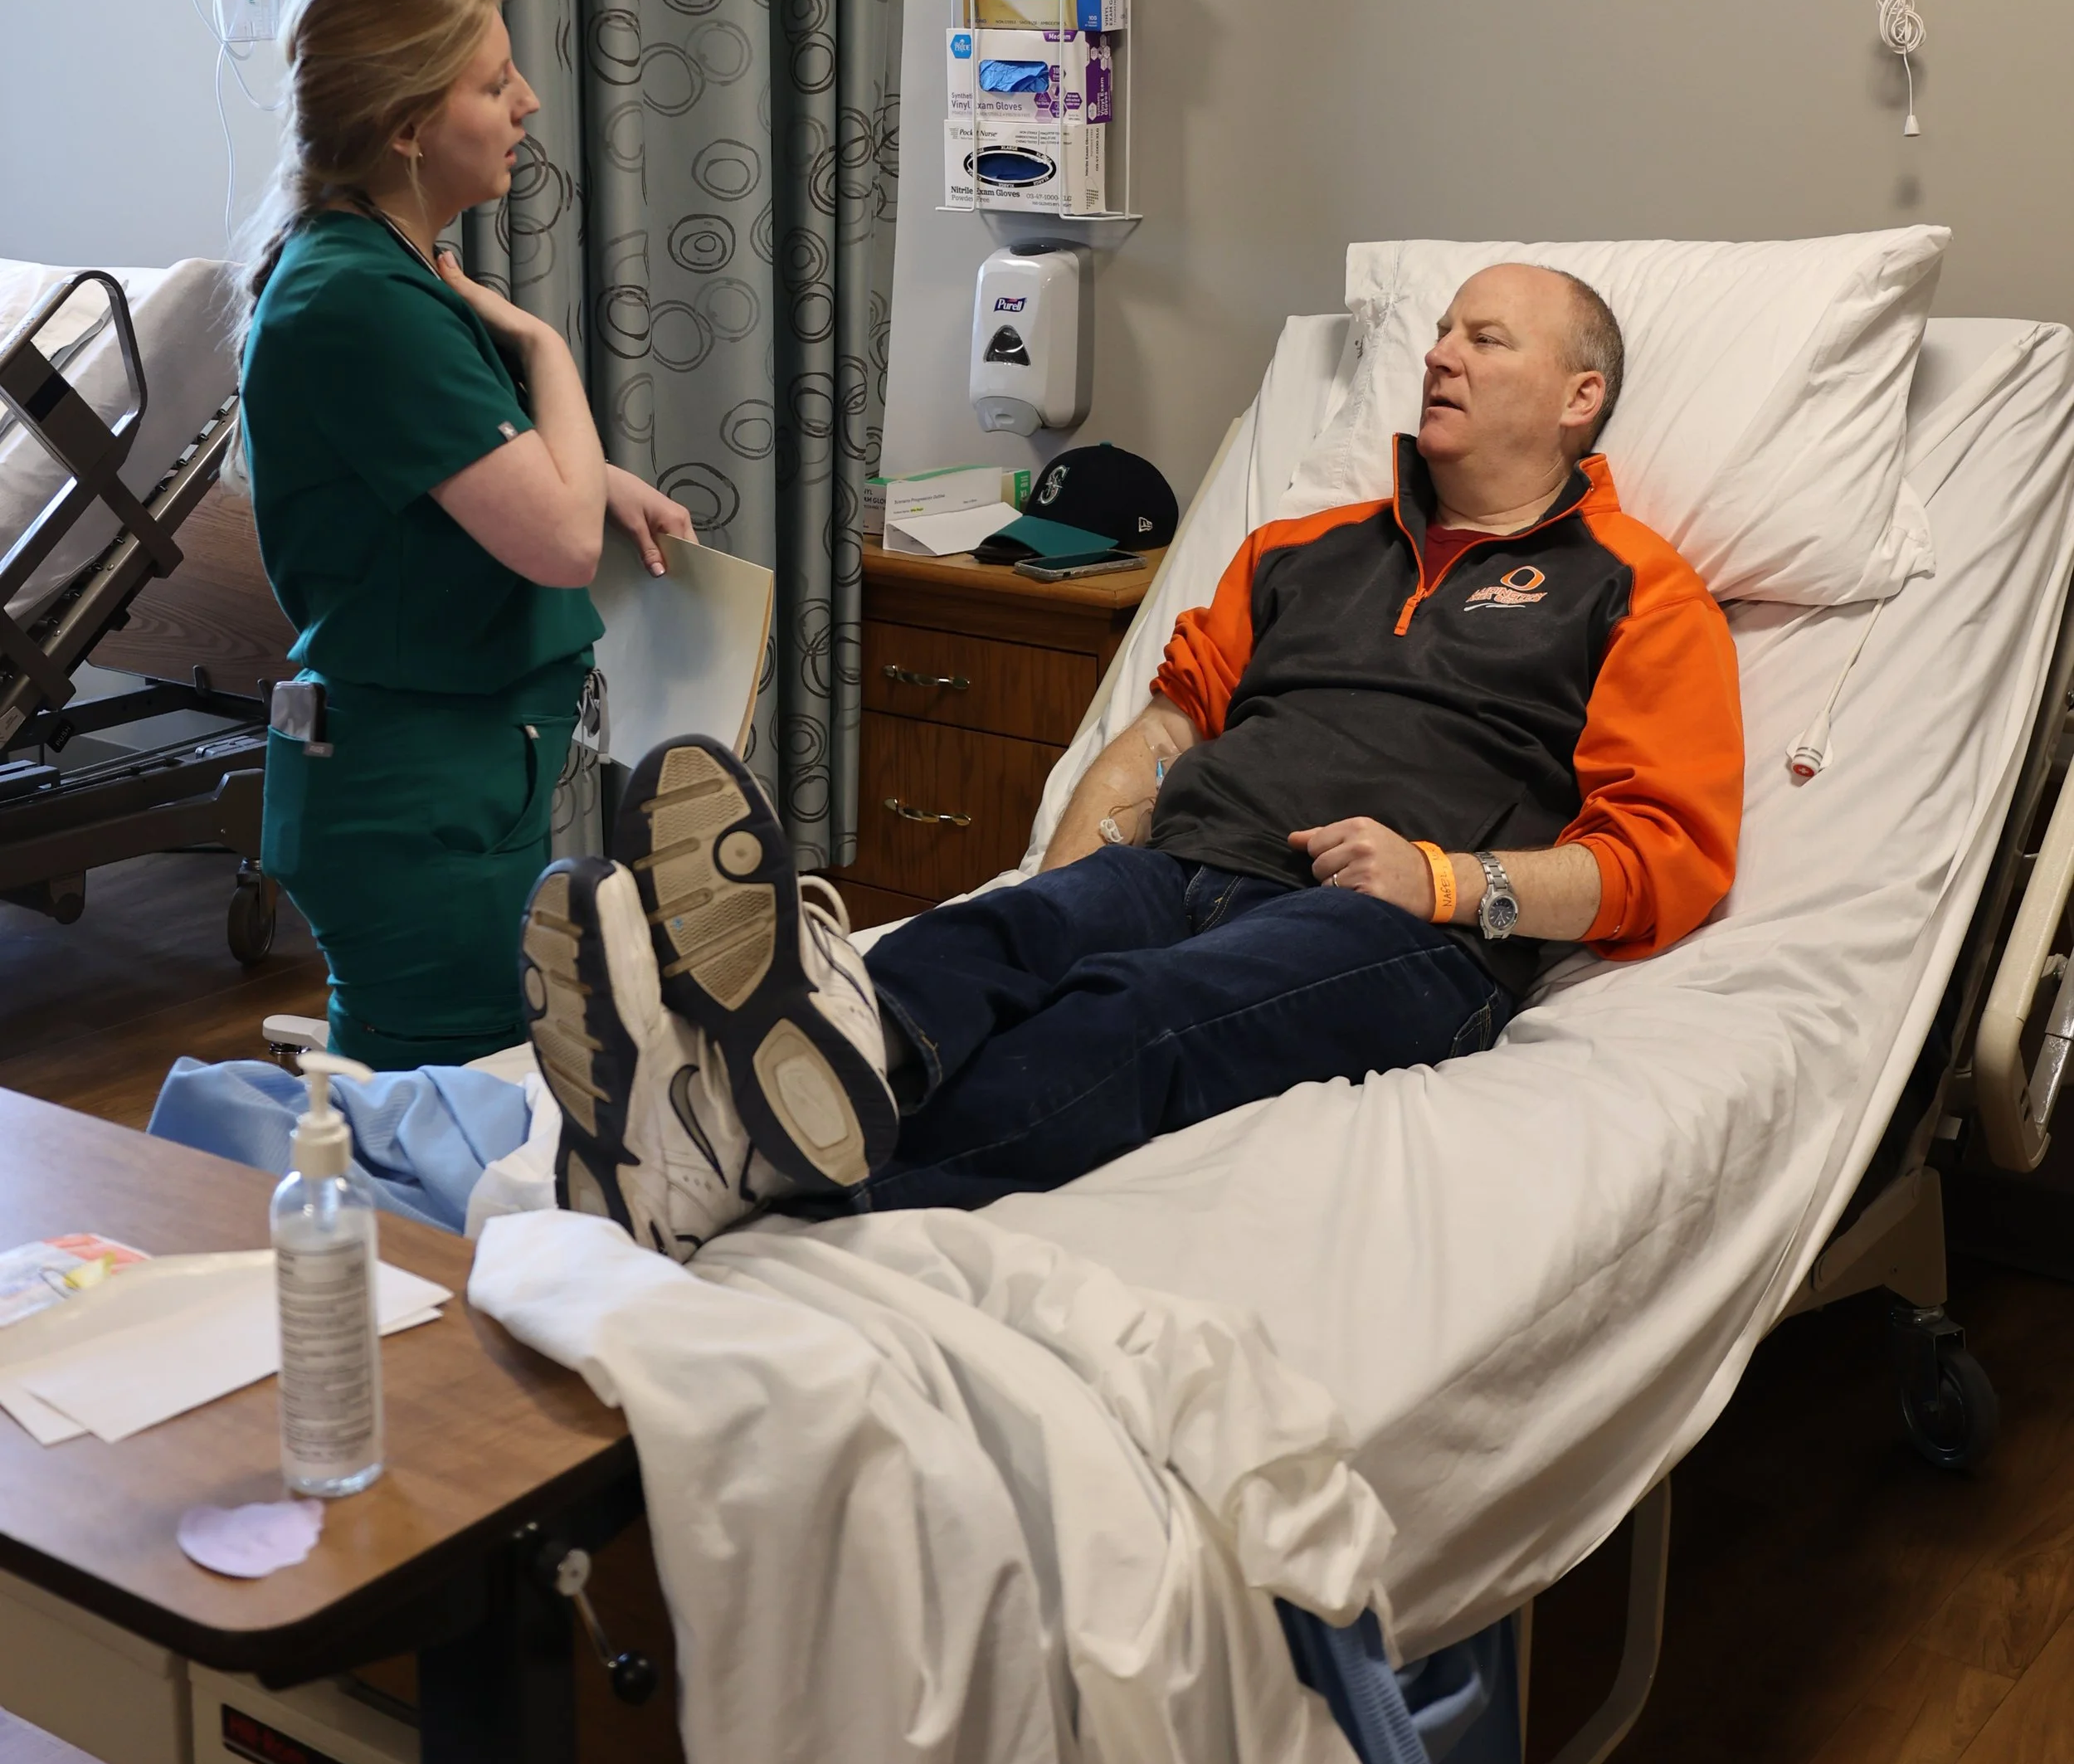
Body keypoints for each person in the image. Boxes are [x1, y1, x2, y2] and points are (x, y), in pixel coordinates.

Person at [521, 262, 1745, 1248]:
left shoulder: (1639, 588)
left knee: (1137, 1011)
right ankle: (743, 1072)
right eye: (1441, 331)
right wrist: (1053, 888)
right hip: (1189, 857)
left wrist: (1444, 879)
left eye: (1487, 339)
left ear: (1580, 397)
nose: (1440, 354)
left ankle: (775, 1194)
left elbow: (1663, 856)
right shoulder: (1300, 548)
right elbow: (1165, 727)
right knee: (988, 939)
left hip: (1393, 923)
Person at [239, 0, 691, 1070]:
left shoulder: (383, 269)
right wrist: (543, 344)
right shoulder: (362, 298)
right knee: (448, 1108)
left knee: (454, 1098)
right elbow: (557, 540)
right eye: (493, 84)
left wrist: (598, 475)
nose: (527, 100)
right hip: (413, 796)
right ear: (403, 125)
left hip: (430, 770)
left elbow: (447, 481)